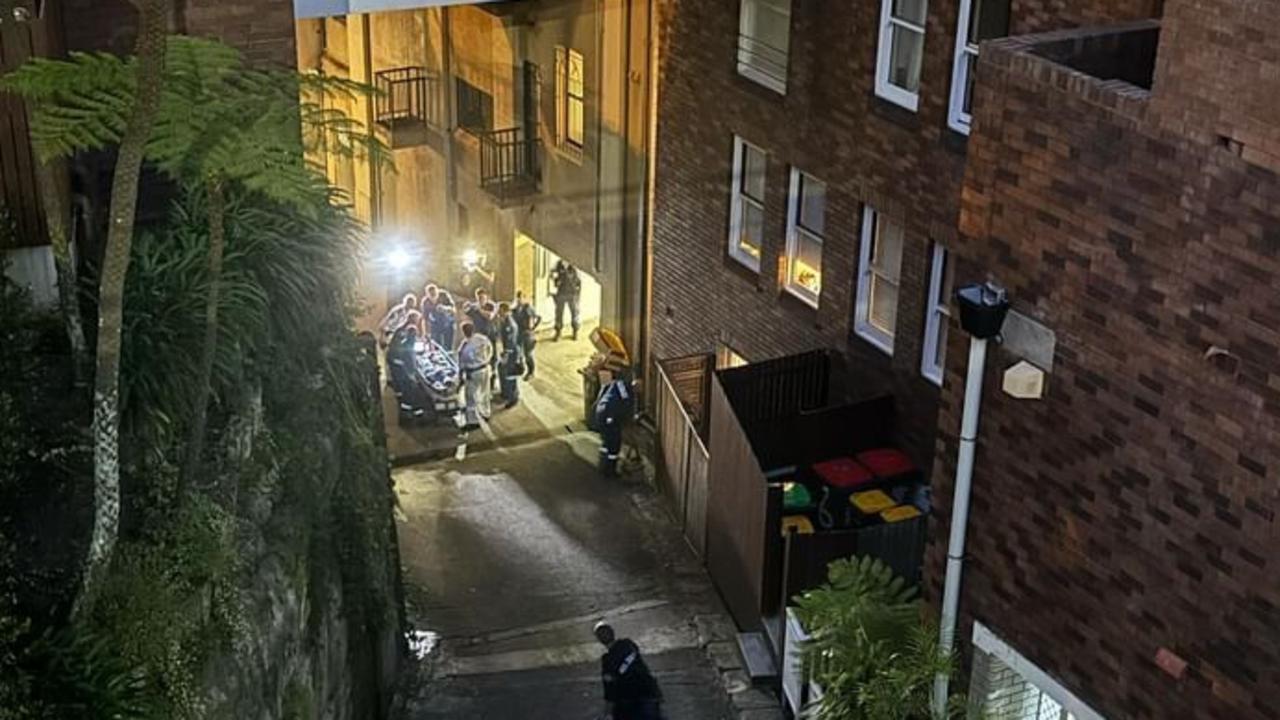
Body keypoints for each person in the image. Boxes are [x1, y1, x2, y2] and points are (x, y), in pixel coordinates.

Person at [594, 622, 662, 720]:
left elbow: (609, 689)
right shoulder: (629, 645)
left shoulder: (607, 661)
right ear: (613, 633)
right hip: (648, 694)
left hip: (628, 703)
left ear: (600, 640)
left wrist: (608, 713)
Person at [592, 371, 636, 477]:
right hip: (609, 416)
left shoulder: (617, 383)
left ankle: (602, 467)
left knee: (606, 442)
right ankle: (610, 472)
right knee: (614, 444)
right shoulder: (626, 391)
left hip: (601, 412)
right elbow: (625, 406)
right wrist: (629, 420)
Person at [458, 322, 493, 431]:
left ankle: (473, 421)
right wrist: (487, 359)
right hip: (485, 368)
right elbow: (490, 349)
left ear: (464, 332)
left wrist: (460, 377)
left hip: (473, 372)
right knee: (485, 391)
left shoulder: (465, 347)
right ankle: (486, 412)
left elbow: (462, 363)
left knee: (470, 397)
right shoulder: (482, 339)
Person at [495, 302, 523, 409]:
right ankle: (506, 393)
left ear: (505, 311)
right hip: (508, 351)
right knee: (502, 370)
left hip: (511, 352)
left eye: (500, 311)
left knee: (510, 375)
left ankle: (513, 397)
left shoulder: (509, 324)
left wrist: (506, 354)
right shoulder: (505, 321)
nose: (498, 313)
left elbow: (511, 341)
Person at [511, 290, 541, 379]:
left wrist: (533, 328)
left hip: (528, 334)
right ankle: (521, 368)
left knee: (528, 354)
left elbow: (538, 317)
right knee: (518, 352)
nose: (519, 300)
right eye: (518, 298)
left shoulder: (528, 307)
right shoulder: (515, 309)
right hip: (518, 333)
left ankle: (531, 372)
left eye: (521, 298)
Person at [551, 260, 582, 341]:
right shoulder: (558, 265)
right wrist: (556, 282)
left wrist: (578, 295)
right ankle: (558, 332)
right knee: (559, 313)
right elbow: (553, 277)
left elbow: (579, 281)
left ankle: (575, 331)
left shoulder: (574, 266)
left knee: (574, 312)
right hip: (561, 293)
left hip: (572, 294)